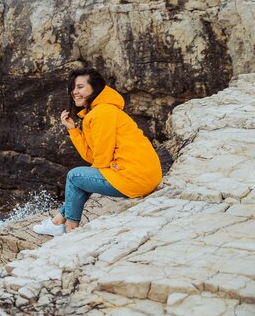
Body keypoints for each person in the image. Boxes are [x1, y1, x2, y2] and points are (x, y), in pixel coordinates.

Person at [33, 67, 162, 236]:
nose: (74, 92)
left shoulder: (102, 113)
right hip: (144, 175)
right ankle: (57, 222)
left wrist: (95, 174)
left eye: (80, 87)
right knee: (81, 179)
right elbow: (92, 155)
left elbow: (101, 158)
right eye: (73, 88)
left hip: (135, 177)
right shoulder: (99, 111)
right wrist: (73, 130)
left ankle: (70, 231)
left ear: (95, 88)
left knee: (74, 177)